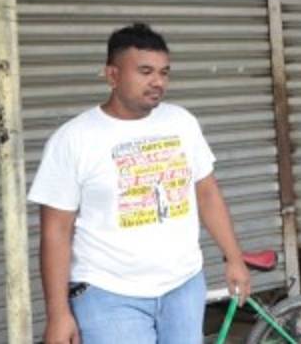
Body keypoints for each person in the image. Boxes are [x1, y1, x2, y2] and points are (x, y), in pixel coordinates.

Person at [29, 23, 250, 344]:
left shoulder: (182, 122)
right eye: (145, 71)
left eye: (164, 72)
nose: (158, 81)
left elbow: (207, 194)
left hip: (184, 286)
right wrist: (58, 313)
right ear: (112, 75)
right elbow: (55, 232)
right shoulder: (73, 139)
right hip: (108, 294)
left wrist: (234, 258)